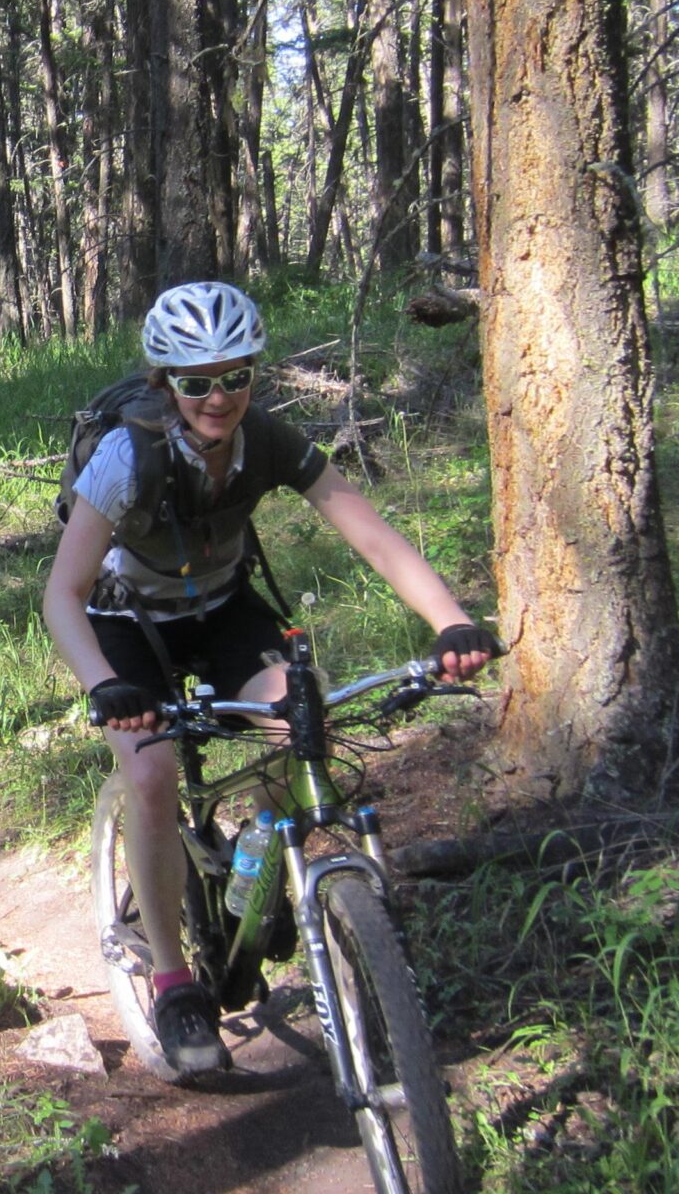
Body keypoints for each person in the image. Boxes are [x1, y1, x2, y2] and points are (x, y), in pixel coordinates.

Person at [42, 280, 495, 1076]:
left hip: (222, 611)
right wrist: (100, 685)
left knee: (302, 717)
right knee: (149, 775)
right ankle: (177, 984)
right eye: (195, 382)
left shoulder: (268, 440)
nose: (218, 397)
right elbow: (63, 594)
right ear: (165, 384)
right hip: (126, 623)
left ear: (253, 373)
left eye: (235, 376)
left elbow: (373, 534)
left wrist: (449, 621)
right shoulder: (127, 458)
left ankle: (259, 864)